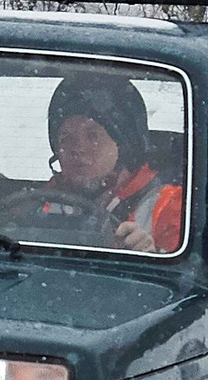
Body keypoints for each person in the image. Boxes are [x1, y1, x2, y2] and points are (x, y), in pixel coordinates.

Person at [43, 72, 183, 253]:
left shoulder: (170, 206)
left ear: (124, 146)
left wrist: (151, 256)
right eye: (65, 138)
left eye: (92, 136)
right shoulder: (39, 201)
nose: (77, 149)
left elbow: (185, 269)